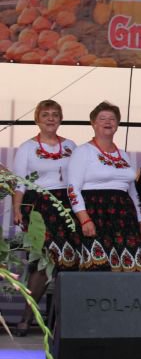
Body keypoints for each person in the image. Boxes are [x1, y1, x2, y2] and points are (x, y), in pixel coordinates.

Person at [11, 100, 78, 336]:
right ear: (37, 120)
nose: (51, 118)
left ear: (61, 119)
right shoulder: (27, 148)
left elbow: (78, 178)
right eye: (46, 115)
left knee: (68, 261)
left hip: (66, 207)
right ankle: (27, 318)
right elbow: (19, 183)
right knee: (43, 261)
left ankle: (63, 322)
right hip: (38, 207)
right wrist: (17, 209)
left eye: (55, 114)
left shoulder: (71, 146)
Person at [66, 101, 141, 271]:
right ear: (93, 123)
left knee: (130, 267)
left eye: (112, 119)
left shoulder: (123, 155)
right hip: (95, 213)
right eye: (102, 118)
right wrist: (84, 219)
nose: (107, 122)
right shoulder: (83, 151)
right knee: (99, 267)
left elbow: (132, 192)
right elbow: (72, 188)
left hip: (124, 216)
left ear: (117, 124)